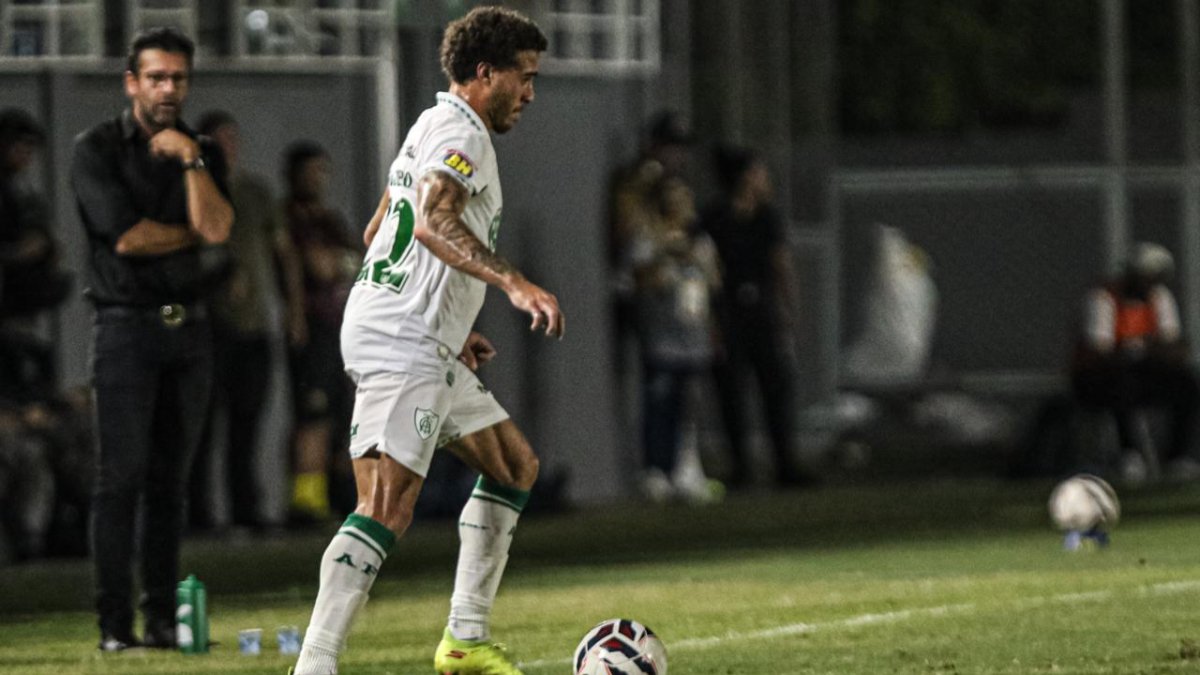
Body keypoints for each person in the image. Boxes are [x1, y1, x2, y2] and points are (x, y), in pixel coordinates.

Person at [289, 8, 559, 675]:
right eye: (523, 78)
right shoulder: (460, 132)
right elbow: (434, 220)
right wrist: (512, 284)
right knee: (386, 502)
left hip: (420, 333)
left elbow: (381, 225)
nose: (530, 93)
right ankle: (313, 665)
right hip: (400, 339)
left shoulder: (429, 126)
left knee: (513, 464)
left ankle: (465, 638)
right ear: (484, 73)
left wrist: (447, 313)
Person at [70, 27, 233, 651]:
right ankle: (115, 627)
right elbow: (128, 237)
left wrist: (191, 161)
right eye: (157, 77)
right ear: (131, 82)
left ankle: (162, 621)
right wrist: (191, 232)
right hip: (125, 329)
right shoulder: (97, 149)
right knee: (121, 479)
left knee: (171, 482)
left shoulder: (203, 150)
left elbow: (218, 226)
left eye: (179, 78)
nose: (169, 89)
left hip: (187, 329)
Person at [187, 110, 306, 532]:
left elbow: (283, 253)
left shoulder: (255, 193)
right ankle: (200, 514)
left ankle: (246, 509)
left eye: (232, 140)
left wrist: (293, 310)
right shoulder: (191, 191)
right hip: (209, 328)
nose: (227, 149)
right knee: (204, 427)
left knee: (248, 424)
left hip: (255, 326)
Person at [698, 145, 811, 488]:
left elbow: (780, 264)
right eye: (758, 171)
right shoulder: (713, 219)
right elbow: (705, 270)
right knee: (731, 390)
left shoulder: (766, 217)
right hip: (727, 309)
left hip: (761, 309)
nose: (765, 178)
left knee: (775, 387)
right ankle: (741, 468)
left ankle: (784, 463)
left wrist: (788, 307)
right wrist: (709, 320)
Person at [1070, 242, 1200, 480]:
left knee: (1186, 384)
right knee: (1120, 383)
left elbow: (1171, 344)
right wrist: (1143, 348)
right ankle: (1129, 454)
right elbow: (1101, 350)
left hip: (1141, 372)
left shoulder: (1158, 298)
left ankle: (1177, 458)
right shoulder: (1104, 297)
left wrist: (1144, 349)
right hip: (1099, 379)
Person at [282, 140, 361, 524]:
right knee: (312, 416)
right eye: (310, 171)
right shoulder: (292, 218)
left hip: (343, 329)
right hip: (313, 331)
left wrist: (343, 261)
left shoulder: (330, 219)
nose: (317, 179)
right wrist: (342, 262)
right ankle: (306, 501)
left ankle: (341, 496)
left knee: (345, 415)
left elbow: (359, 260)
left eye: (321, 171)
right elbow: (320, 267)